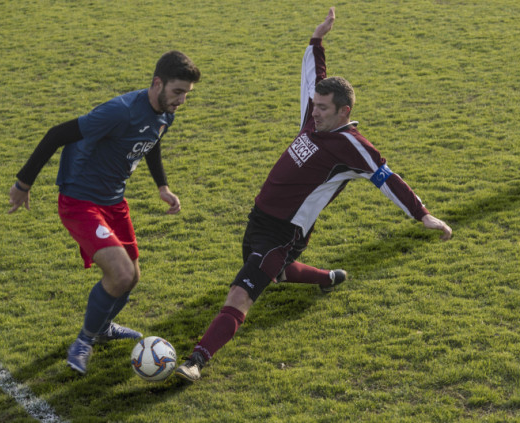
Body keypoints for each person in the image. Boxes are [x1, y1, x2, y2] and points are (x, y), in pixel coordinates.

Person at [174, 7, 452, 382]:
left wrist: (421, 214)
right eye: (315, 105)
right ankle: (328, 278)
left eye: (322, 108)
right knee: (278, 275)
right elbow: (314, 76)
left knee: (241, 293)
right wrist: (317, 40)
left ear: (344, 111)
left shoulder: (352, 146)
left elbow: (386, 177)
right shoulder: (314, 117)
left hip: (283, 233)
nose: (314, 112)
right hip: (259, 218)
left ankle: (197, 360)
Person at [7, 51, 201, 374]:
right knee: (121, 274)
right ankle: (83, 342)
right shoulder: (120, 112)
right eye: (177, 92)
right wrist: (23, 183)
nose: (181, 100)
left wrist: (162, 187)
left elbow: (152, 141)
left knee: (132, 278)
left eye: (186, 94)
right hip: (80, 201)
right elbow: (57, 134)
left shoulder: (166, 113)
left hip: (113, 201)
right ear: (157, 83)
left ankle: (104, 326)